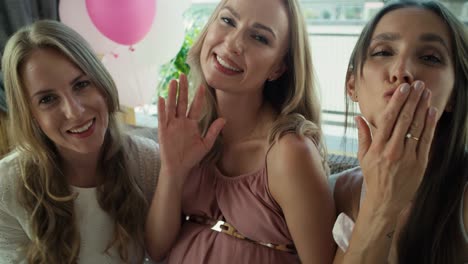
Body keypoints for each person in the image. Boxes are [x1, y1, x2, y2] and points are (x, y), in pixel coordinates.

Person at [145, 0, 335, 263]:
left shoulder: (289, 153)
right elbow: (156, 250)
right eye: (227, 21)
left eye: (259, 37)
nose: (233, 43)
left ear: (278, 67)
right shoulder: (189, 130)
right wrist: (172, 171)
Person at [0, 20, 160, 263]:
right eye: (47, 99)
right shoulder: (7, 187)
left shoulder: (149, 163)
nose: (74, 112)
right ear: (30, 114)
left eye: (81, 84)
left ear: (102, 83)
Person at [331, 1, 468, 263]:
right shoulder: (332, 193)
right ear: (352, 85)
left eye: (430, 57)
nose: (402, 71)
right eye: (383, 52)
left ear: (454, 95)